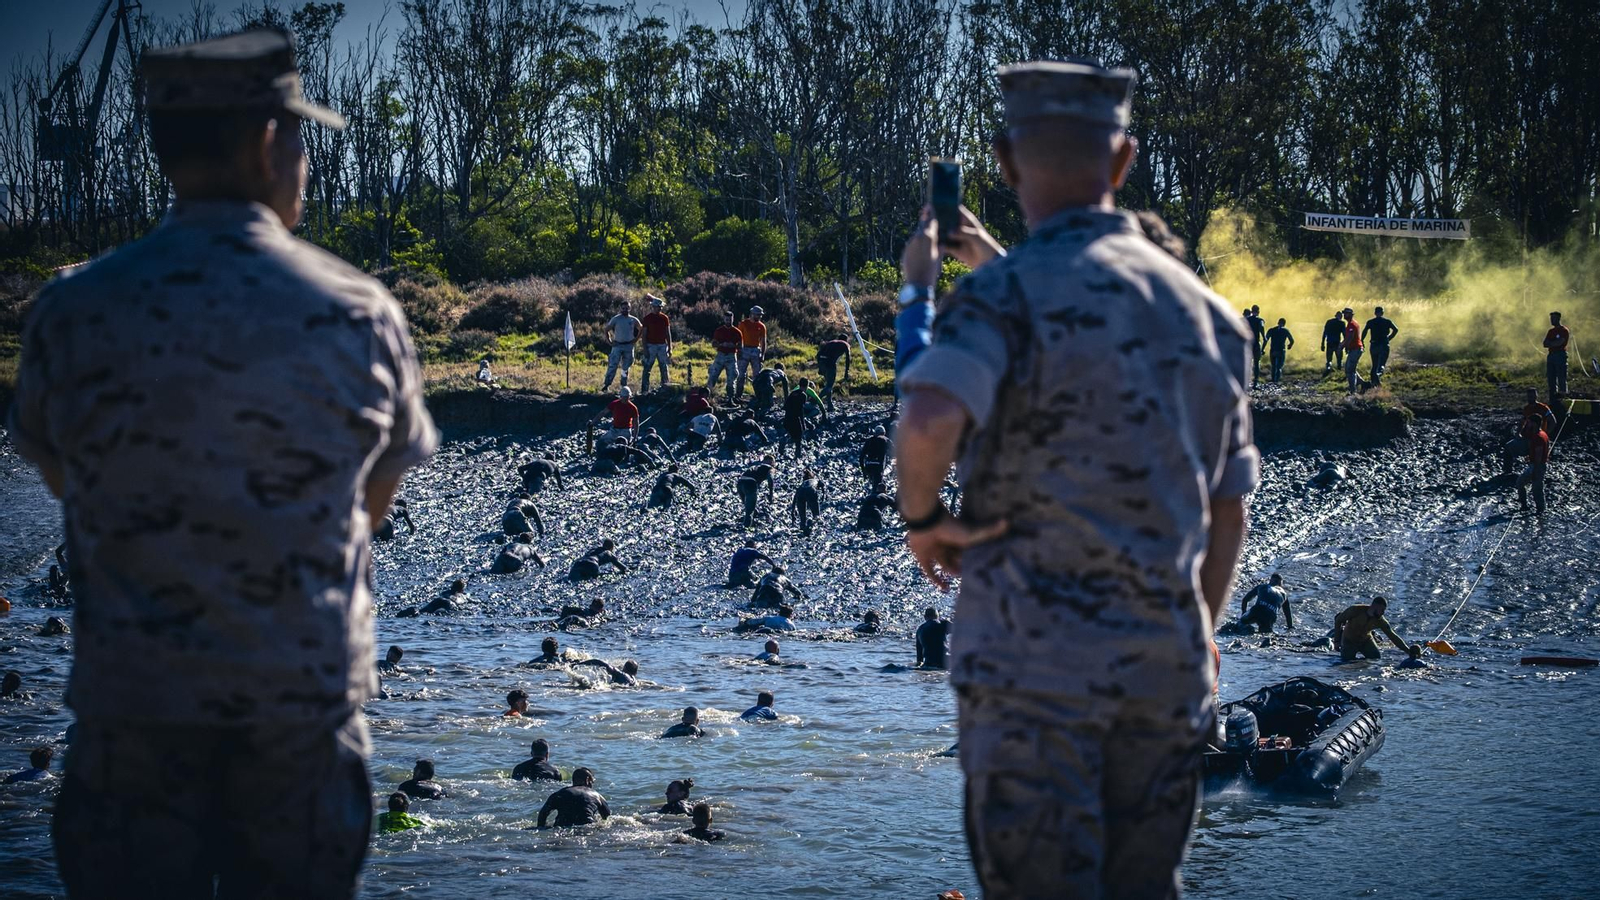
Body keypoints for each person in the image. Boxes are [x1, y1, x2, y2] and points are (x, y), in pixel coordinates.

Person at [892, 60, 1256, 898]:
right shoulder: (1210, 316)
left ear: (1005, 161)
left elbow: (927, 416)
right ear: (1123, 160)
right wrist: (1196, 630)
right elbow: (1227, 509)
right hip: (1162, 669)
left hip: (1031, 668)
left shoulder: (1000, 295)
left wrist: (924, 518)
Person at [1332, 597, 1420, 662]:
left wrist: (1408, 651)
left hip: (1366, 641)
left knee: (1376, 658)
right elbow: (1338, 620)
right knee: (1346, 661)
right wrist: (1337, 641)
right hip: (1349, 640)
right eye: (1382, 610)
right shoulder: (1355, 610)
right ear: (1374, 606)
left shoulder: (1380, 621)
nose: (1383, 613)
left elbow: (1393, 636)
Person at [1503, 388, 1559, 474]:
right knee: (1508, 447)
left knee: (1537, 460)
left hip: (1538, 439)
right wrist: (1518, 433)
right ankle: (1507, 472)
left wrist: (1545, 434)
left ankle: (1536, 473)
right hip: (1527, 438)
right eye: (1529, 396)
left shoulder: (1543, 408)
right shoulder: (1527, 409)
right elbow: (1522, 422)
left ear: (1536, 396)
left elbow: (1553, 421)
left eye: (1532, 396)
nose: (1530, 398)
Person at [537, 767, 610, 828]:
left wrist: (541, 827)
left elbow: (543, 814)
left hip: (562, 827)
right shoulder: (597, 796)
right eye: (592, 782)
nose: (592, 785)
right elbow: (607, 818)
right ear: (587, 780)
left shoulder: (559, 794)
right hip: (587, 828)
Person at [602, 302, 642, 391]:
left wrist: (636, 339)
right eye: (623, 308)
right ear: (620, 309)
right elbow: (606, 329)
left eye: (627, 308)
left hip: (628, 346)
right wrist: (609, 341)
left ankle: (623, 386)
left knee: (625, 367)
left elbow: (641, 328)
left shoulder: (633, 319)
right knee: (612, 366)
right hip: (617, 345)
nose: (625, 310)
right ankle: (606, 385)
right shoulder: (616, 319)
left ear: (630, 309)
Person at [1516, 418, 1551, 514]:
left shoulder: (1538, 437)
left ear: (1535, 423)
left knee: (1536, 488)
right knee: (1521, 483)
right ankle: (1526, 506)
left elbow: (1539, 454)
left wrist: (1535, 469)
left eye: (1530, 422)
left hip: (1537, 466)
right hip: (1537, 464)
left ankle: (1540, 510)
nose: (1528, 424)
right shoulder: (1543, 434)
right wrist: (1530, 457)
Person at [639, 294, 673, 393]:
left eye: (660, 307)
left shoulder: (665, 318)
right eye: (658, 307)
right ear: (653, 307)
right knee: (647, 368)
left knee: (664, 367)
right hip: (651, 345)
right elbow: (644, 335)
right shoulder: (647, 318)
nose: (660, 308)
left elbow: (668, 333)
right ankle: (644, 390)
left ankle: (665, 388)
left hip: (662, 345)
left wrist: (670, 348)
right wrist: (645, 349)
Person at [734, 306, 768, 399]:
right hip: (744, 349)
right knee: (741, 374)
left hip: (755, 350)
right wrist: (738, 351)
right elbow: (738, 338)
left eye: (760, 315)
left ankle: (758, 395)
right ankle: (738, 394)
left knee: (757, 375)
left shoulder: (762, 326)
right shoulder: (743, 324)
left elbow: (763, 341)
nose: (759, 317)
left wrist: (762, 354)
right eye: (758, 315)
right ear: (752, 314)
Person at [708, 311, 743, 401]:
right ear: (724, 319)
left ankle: (730, 398)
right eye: (727, 319)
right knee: (713, 374)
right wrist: (722, 344)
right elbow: (713, 344)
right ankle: (708, 395)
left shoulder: (737, 332)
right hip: (720, 355)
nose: (728, 321)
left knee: (732, 377)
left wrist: (733, 346)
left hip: (731, 356)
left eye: (730, 319)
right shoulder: (719, 331)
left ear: (733, 319)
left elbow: (740, 346)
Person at [736, 455, 777, 528]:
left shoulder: (755, 466)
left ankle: (752, 521)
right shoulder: (770, 468)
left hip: (740, 483)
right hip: (750, 484)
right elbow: (770, 479)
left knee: (748, 506)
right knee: (750, 510)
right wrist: (771, 494)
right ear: (771, 462)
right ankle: (746, 528)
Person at [1362, 306, 1399, 386]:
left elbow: (1364, 331)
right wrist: (1389, 338)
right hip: (1384, 344)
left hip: (1374, 344)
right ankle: (1378, 375)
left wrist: (1362, 340)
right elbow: (1396, 330)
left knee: (1374, 364)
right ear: (1382, 313)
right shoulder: (1387, 321)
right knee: (1381, 364)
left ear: (1375, 313)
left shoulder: (1370, 322)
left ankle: (1374, 383)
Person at [817, 333, 850, 410]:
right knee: (829, 385)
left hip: (822, 361)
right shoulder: (845, 344)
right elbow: (848, 359)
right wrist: (846, 372)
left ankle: (830, 405)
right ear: (846, 340)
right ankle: (814, 401)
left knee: (828, 384)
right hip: (830, 363)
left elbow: (818, 354)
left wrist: (820, 367)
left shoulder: (830, 342)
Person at [1545, 311, 1570, 400]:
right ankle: (1553, 399)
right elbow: (1545, 343)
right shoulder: (1551, 331)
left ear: (1558, 319)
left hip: (1560, 355)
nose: (1551, 320)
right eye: (1551, 318)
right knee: (1551, 379)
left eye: (1553, 318)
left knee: (1561, 378)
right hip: (1551, 355)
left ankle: (1563, 398)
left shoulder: (1564, 330)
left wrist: (1551, 343)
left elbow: (1560, 342)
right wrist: (1554, 343)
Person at [791, 469, 824, 535]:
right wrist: (823, 497)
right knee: (816, 515)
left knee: (802, 518)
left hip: (800, 493)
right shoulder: (815, 480)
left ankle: (803, 528)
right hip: (811, 491)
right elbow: (822, 485)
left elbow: (795, 498)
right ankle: (812, 524)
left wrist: (793, 511)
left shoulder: (802, 485)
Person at [860, 425, 891, 490]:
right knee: (877, 485)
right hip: (878, 465)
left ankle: (871, 492)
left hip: (868, 465)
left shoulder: (869, 440)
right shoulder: (885, 439)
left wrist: (863, 471)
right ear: (884, 433)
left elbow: (861, 456)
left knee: (873, 483)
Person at [1342, 307, 1365, 393]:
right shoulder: (1351, 324)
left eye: (1346, 313)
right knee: (1349, 369)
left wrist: (1343, 346)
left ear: (1351, 315)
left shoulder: (1352, 324)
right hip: (1355, 349)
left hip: (1355, 349)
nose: (1344, 315)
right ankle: (1363, 384)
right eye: (1344, 313)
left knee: (1350, 370)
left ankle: (1353, 391)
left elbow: (1350, 338)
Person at [1265, 318, 1294, 384]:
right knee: (1279, 367)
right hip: (1281, 350)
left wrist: (1263, 348)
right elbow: (1292, 340)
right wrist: (1289, 346)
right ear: (1284, 324)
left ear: (1278, 322)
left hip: (1273, 350)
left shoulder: (1272, 330)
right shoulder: (1285, 331)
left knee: (1273, 366)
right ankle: (1277, 381)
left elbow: (1266, 339)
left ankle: (1273, 380)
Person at [1245, 305, 1266, 386]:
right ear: (1258, 311)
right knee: (1256, 363)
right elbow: (1261, 327)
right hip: (1256, 343)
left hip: (1248, 344)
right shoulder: (1260, 320)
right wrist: (1264, 336)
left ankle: (1246, 382)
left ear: (1251, 311)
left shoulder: (1246, 320)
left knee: (1247, 363)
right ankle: (1255, 383)